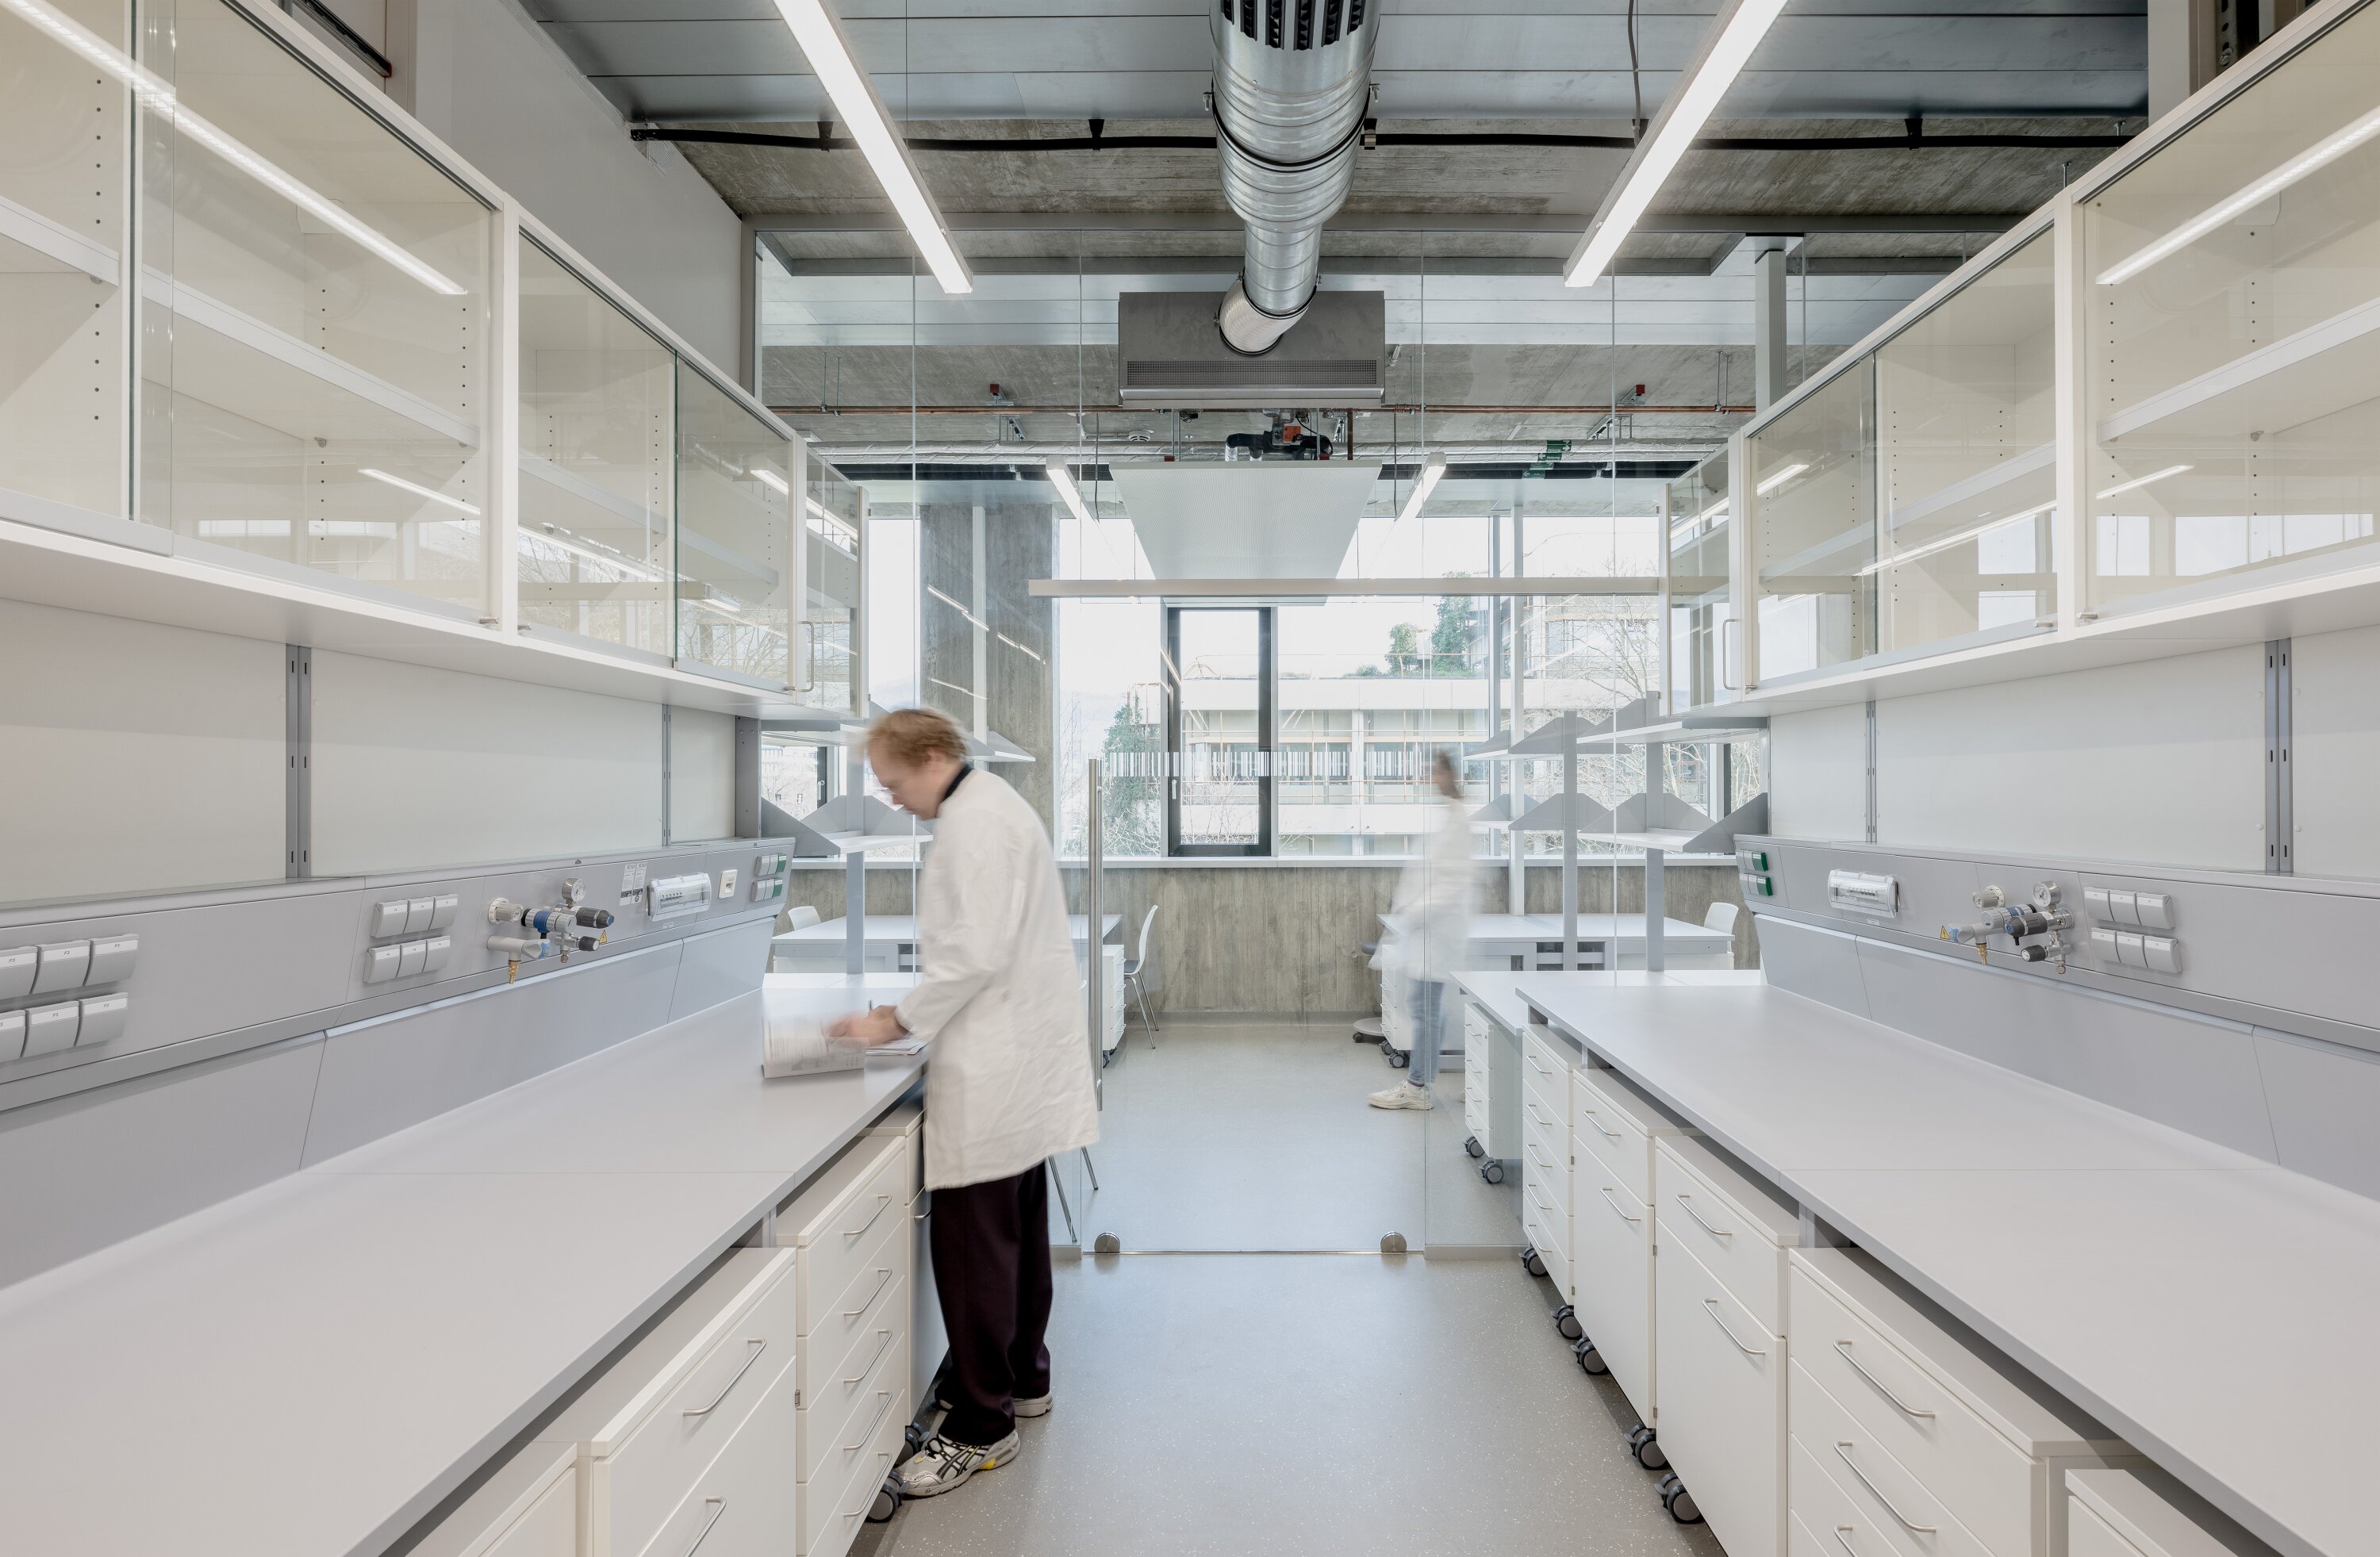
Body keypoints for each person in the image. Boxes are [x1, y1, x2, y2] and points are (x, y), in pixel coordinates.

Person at [827, 707, 1099, 1499]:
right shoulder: (996, 807)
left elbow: (970, 953)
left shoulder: (971, 826)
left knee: (975, 1251)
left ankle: (983, 1426)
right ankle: (1024, 1378)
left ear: (935, 755)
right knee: (1017, 1235)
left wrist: (895, 1018)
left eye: (893, 779)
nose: (890, 797)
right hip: (1020, 1066)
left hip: (995, 1069)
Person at [1368, 750, 1478, 1110]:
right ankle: (1420, 1082)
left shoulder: (1458, 819)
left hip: (1437, 929)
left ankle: (1418, 1087)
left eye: (1435, 770)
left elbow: (1452, 883)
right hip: (1429, 928)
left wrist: (1414, 913)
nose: (1431, 777)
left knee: (1426, 1007)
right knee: (1425, 1005)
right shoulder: (1449, 815)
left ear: (1450, 773)